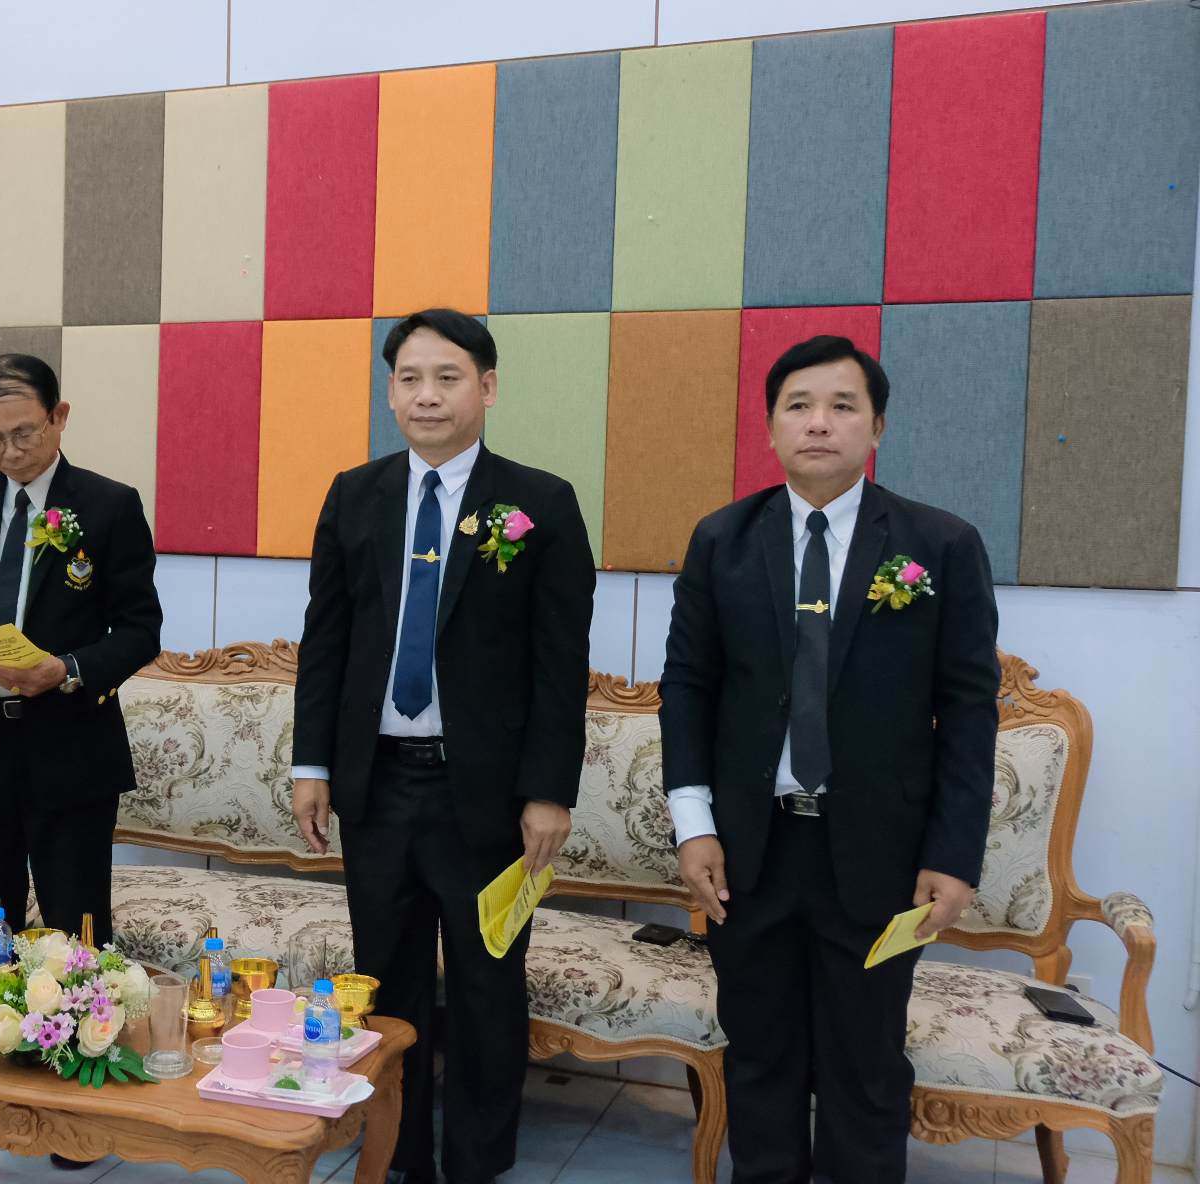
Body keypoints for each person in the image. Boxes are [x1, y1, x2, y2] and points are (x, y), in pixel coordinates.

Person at [659, 335, 1000, 1184]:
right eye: (798, 406)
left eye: (843, 406)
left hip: (881, 858)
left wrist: (954, 855)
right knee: (760, 1057)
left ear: (876, 426)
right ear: (771, 426)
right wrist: (693, 826)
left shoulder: (941, 544)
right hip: (749, 853)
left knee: (866, 1066)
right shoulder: (723, 540)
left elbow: (968, 711)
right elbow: (688, 689)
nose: (819, 423)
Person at [291, 310, 595, 1184]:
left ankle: (476, 1161)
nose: (428, 395)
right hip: (377, 784)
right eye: (410, 379)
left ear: (487, 388)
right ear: (391, 393)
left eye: (448, 377)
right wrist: (312, 764)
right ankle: (396, 1156)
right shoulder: (355, 494)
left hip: (489, 796)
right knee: (384, 984)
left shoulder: (540, 503)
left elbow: (560, 663)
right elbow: (326, 641)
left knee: (487, 985)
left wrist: (549, 790)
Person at [0, 353, 162, 1159]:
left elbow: (140, 628)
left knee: (78, 926)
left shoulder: (109, 505)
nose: (9, 451)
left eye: (24, 432)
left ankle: (78, 1096)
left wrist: (68, 669)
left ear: (59, 417)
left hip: (69, 747)